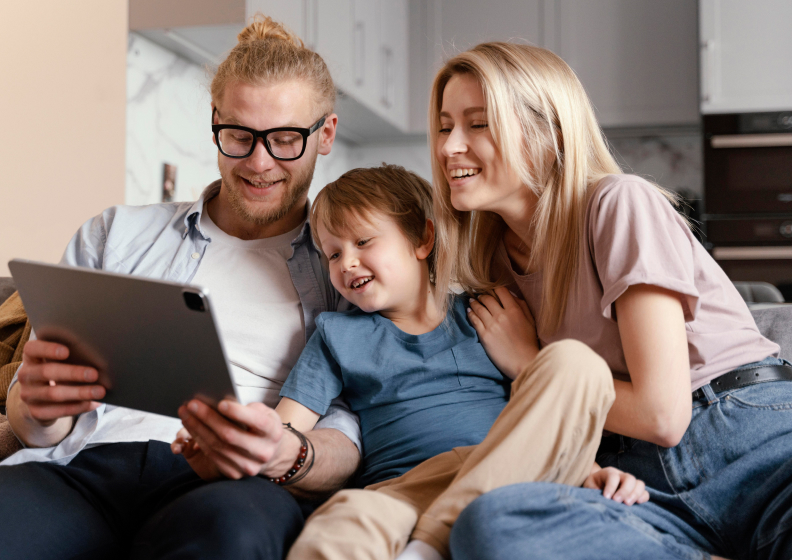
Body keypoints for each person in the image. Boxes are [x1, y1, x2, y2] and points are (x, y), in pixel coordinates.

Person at [0, 17, 364, 559]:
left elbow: (352, 435)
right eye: (239, 135)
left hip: (233, 487)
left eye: (285, 139)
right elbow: (35, 428)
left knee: (232, 538)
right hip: (83, 469)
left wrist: (287, 453)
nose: (260, 162)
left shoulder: (350, 269)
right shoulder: (114, 234)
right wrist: (35, 407)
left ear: (326, 133)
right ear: (215, 121)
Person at [424, 42, 792, 560]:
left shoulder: (619, 203)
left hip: (746, 436)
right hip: (638, 486)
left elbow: (663, 414)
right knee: (487, 526)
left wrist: (530, 364)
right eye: (444, 126)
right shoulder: (487, 268)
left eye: (478, 123)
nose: (448, 148)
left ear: (549, 132)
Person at [238, 164, 646, 560]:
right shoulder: (335, 334)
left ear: (423, 239)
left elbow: (546, 411)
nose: (346, 263)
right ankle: (433, 543)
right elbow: (286, 428)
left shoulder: (490, 314)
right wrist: (248, 437)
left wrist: (588, 469)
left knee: (576, 362)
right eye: (332, 254)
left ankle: (430, 543)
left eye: (363, 242)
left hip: (503, 471)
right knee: (343, 523)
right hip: (404, 487)